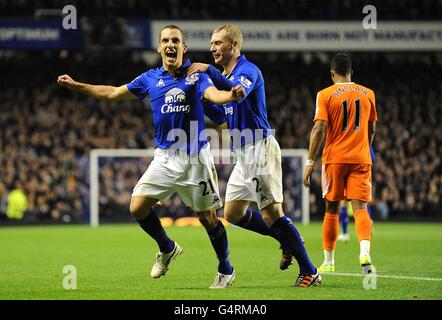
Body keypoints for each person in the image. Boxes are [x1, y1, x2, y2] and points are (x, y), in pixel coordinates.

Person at [57, 25, 245, 288]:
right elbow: (113, 92)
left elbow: (212, 95)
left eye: (176, 40)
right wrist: (79, 86)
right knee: (137, 207)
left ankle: (226, 269)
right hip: (165, 157)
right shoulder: (150, 78)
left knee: (208, 218)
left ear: (183, 47)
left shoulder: (196, 75)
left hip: (196, 159)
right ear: (159, 48)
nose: (171, 44)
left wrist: (229, 96)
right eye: (165, 40)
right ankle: (167, 248)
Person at [187, 24, 320, 287]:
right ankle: (286, 238)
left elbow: (238, 94)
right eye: (212, 43)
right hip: (242, 154)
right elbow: (223, 116)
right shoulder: (224, 76)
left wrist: (208, 70)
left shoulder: (248, 70)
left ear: (234, 46)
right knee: (233, 213)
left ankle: (310, 271)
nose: (212, 48)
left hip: (259, 148)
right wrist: (201, 101)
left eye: (218, 43)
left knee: (272, 214)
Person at [303, 53, 377, 274]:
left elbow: (319, 128)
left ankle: (329, 261)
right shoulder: (368, 94)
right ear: (351, 72)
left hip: (334, 159)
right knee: (361, 208)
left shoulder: (325, 94)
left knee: (332, 209)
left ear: (332, 73)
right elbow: (371, 129)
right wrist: (364, 146)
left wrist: (310, 162)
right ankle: (365, 252)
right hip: (361, 158)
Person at [337, 146, 375, 242]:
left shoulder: (348, 139)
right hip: (363, 173)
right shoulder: (365, 140)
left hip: (349, 171)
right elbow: (372, 160)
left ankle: (345, 233)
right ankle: (366, 228)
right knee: (363, 203)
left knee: (344, 201)